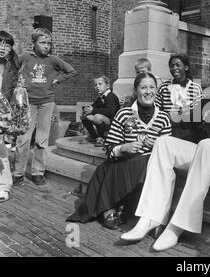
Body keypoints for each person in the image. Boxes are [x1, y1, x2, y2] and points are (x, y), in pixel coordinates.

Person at [120, 52, 210, 251]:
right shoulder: (209, 98)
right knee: (164, 143)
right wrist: (146, 123)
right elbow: (183, 121)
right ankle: (150, 218)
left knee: (208, 144)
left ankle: (177, 227)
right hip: (203, 151)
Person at [67, 73, 172, 229]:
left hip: (149, 166)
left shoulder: (163, 118)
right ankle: (108, 208)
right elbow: (109, 150)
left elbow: (168, 153)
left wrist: (157, 145)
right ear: (136, 91)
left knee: (144, 162)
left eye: (152, 87)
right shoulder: (124, 114)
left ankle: (120, 207)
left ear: (156, 90)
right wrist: (124, 148)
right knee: (109, 167)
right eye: (143, 87)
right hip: (124, 163)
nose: (148, 91)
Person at [13, 27, 77, 186]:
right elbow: (11, 68)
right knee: (23, 138)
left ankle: (38, 172)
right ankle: (18, 173)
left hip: (46, 102)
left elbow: (71, 71)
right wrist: (18, 82)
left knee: (42, 139)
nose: (46, 46)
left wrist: (57, 80)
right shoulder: (26, 57)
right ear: (33, 43)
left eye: (49, 43)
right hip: (29, 103)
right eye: (42, 43)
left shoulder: (53, 60)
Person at [154, 54, 202, 141]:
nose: (174, 68)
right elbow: (156, 109)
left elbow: (196, 115)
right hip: (166, 130)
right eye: (172, 66)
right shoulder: (164, 87)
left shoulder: (195, 88)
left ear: (186, 68)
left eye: (178, 65)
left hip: (187, 132)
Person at [0, 31, 20, 202]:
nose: (2, 48)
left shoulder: (13, 66)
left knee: (0, 150)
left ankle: (4, 186)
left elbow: (16, 92)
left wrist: (10, 115)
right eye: (0, 43)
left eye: (6, 45)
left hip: (2, 112)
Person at [80, 75, 120, 147]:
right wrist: (86, 109)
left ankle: (102, 138)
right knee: (84, 117)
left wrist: (93, 111)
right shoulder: (100, 97)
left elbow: (110, 112)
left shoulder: (111, 96)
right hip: (105, 119)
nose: (97, 86)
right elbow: (93, 106)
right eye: (95, 85)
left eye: (100, 84)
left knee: (97, 117)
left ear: (107, 86)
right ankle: (93, 136)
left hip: (113, 121)